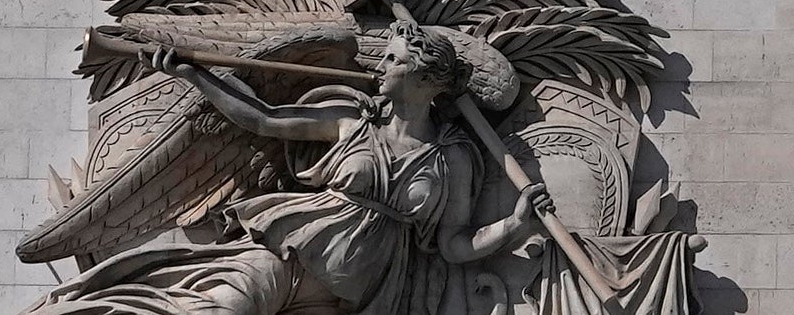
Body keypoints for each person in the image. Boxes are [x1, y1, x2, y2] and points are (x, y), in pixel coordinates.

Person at [33, 20, 539, 312]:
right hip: (285, 260)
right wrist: (195, 74)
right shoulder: (351, 120)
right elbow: (263, 118)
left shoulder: (454, 159)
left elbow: (454, 245)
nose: (380, 68)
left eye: (393, 60)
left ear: (428, 79)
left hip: (352, 302)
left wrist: (515, 226)